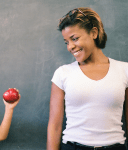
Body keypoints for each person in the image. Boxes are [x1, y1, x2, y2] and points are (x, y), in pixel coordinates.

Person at [47, 7, 128, 150]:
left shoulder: (124, 70)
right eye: (66, 42)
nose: (70, 47)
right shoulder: (62, 74)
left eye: (75, 39)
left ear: (94, 33)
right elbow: (54, 126)